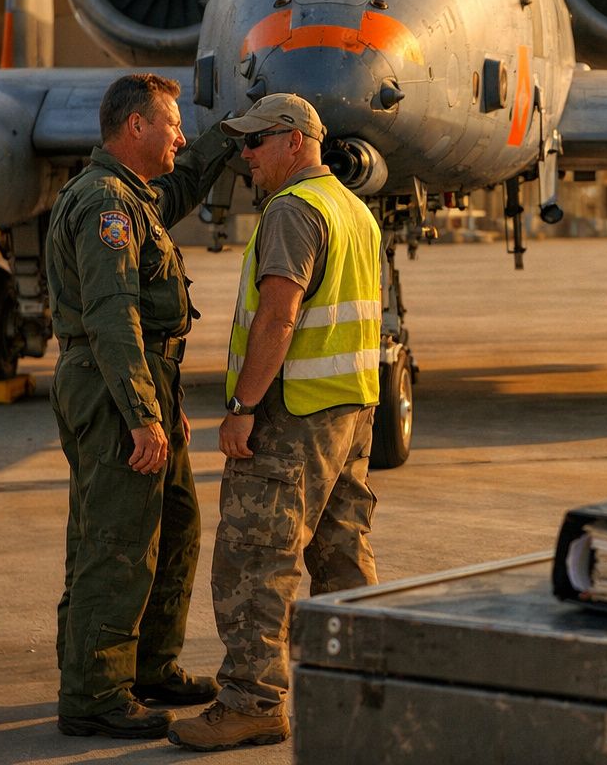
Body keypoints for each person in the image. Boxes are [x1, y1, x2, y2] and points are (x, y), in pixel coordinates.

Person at [168, 93, 382, 752]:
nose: (245, 157)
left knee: (255, 560)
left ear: (294, 141)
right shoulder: (351, 208)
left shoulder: (293, 210)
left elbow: (279, 317)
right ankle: (362, 683)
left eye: (256, 143)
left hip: (291, 417)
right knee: (341, 556)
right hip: (348, 411)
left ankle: (252, 702)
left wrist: (243, 408)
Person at [47, 72, 236, 738]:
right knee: (117, 539)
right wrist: (141, 412)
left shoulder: (132, 196)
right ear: (136, 127)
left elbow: (180, 185)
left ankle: (150, 666)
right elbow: (110, 317)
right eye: (173, 125)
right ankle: (96, 693)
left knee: (174, 523)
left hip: (144, 378)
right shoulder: (106, 205)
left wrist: (225, 141)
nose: (180, 137)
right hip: (111, 381)